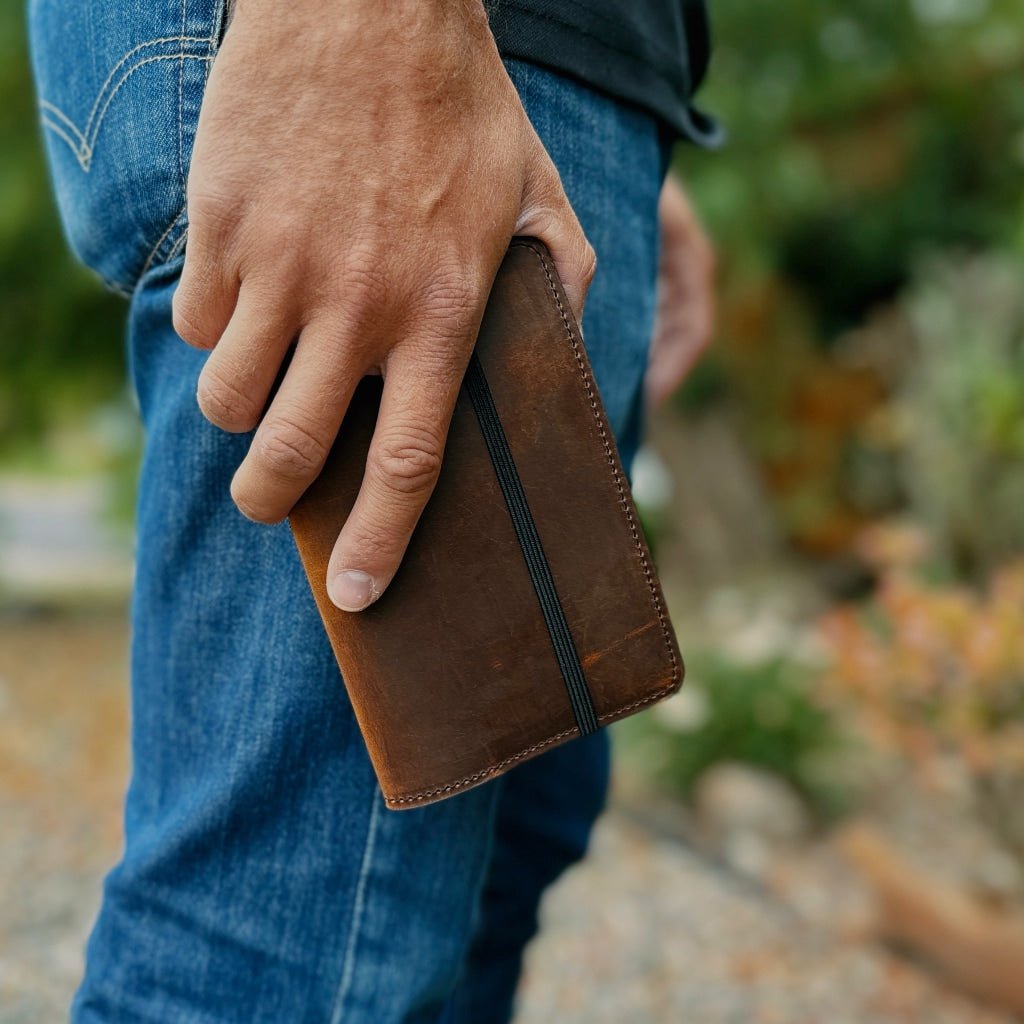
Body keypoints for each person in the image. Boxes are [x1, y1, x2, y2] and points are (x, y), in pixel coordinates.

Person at [29, 0, 715, 1019]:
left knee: (502, 852)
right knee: (290, 949)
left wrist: (626, 110)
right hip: (387, 55)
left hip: (546, 77)